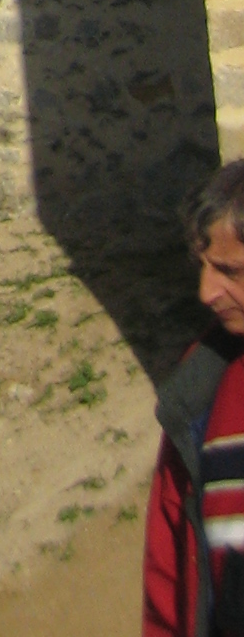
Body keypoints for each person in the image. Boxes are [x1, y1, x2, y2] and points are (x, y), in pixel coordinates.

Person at [146, 160, 244, 635]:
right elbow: (167, 582)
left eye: (230, 271)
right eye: (202, 268)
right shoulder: (198, 397)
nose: (207, 292)